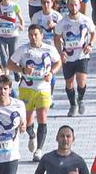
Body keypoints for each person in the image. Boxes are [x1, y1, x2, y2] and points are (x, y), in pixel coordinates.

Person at [15, 23, 62, 157]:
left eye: (36, 35)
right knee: (28, 120)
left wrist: (52, 73)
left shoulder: (49, 49)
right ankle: (32, 135)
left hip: (43, 88)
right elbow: (10, 64)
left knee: (42, 117)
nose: (33, 37)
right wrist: (23, 70)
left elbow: (58, 62)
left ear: (41, 35)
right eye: (30, 35)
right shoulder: (23, 50)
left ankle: (39, 150)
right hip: (26, 88)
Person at [55, 2, 96, 115]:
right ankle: (72, 104)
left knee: (81, 81)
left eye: (75, 5)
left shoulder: (85, 19)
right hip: (68, 57)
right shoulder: (62, 22)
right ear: (68, 6)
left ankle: (81, 99)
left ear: (79, 6)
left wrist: (90, 45)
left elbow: (94, 33)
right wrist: (60, 52)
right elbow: (57, 37)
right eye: (71, 5)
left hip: (82, 55)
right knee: (69, 83)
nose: (73, 7)